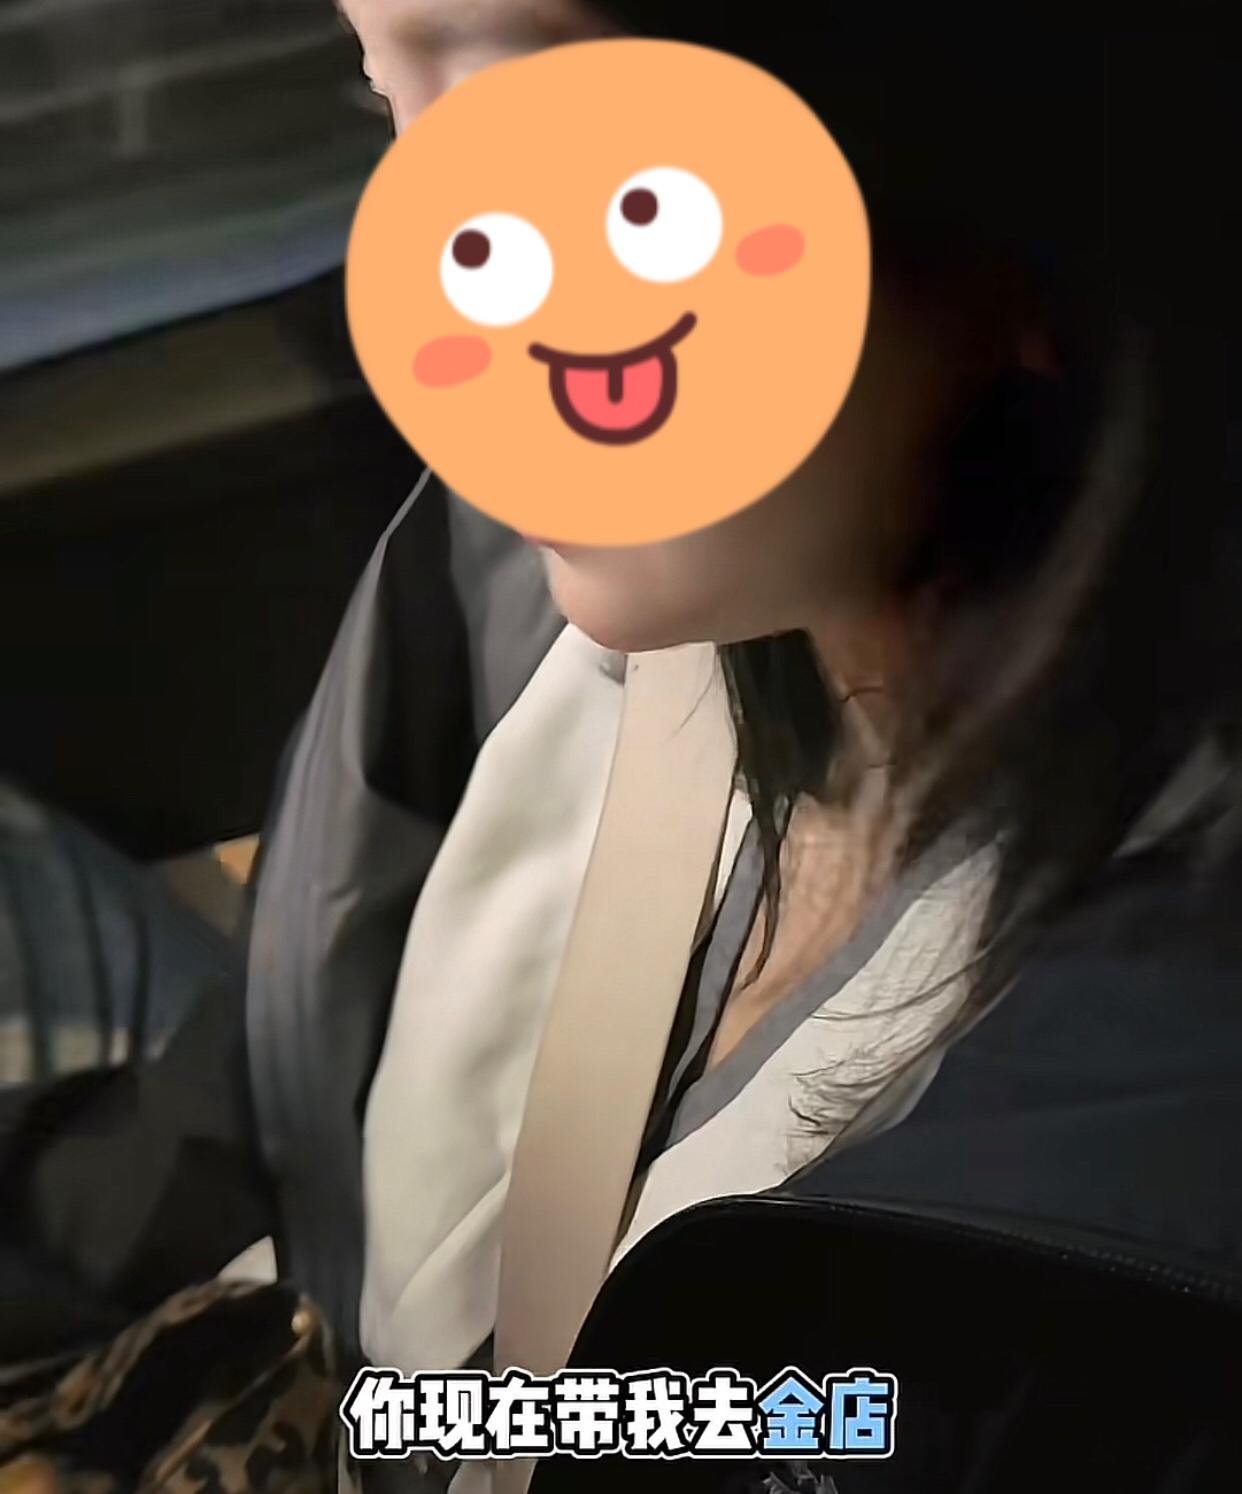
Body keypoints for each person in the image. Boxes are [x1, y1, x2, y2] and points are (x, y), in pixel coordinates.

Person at [4, 5, 1240, 1492]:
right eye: (384, 98)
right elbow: (260, 1102)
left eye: (550, 106)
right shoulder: (518, 578)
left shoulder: (1120, 1249)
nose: (432, 266)